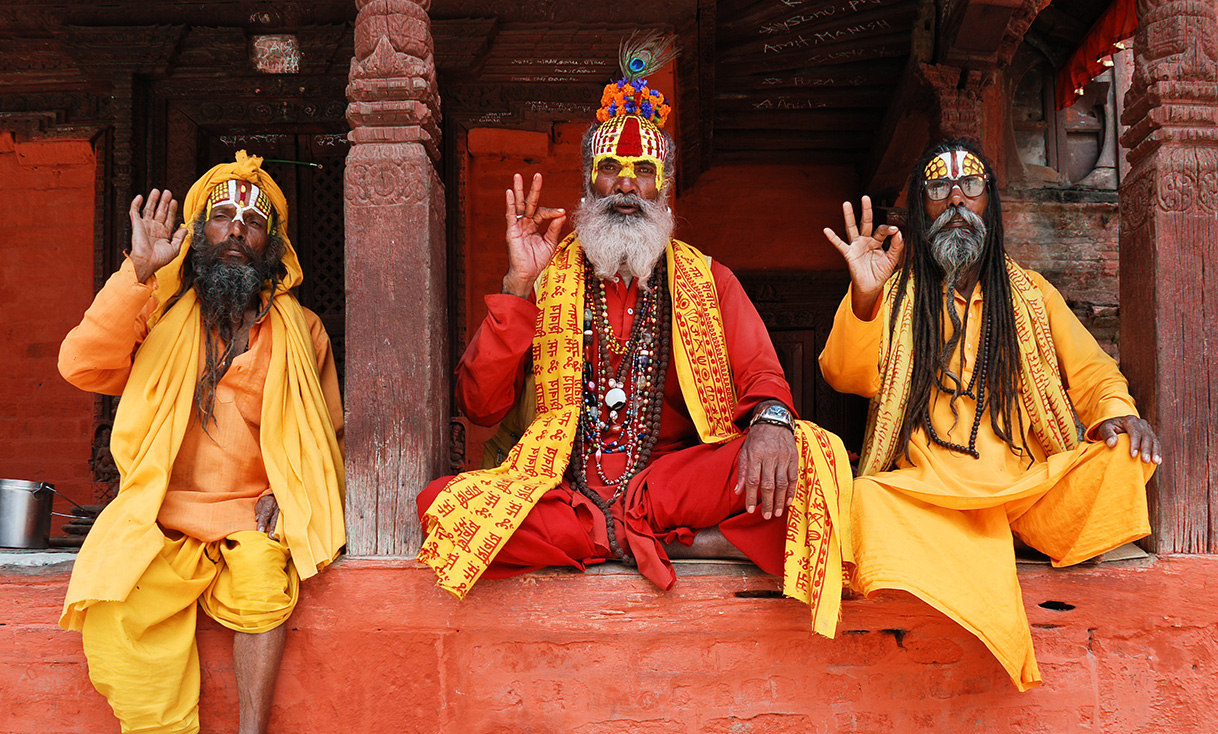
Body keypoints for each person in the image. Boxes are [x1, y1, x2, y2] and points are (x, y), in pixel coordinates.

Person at [416, 34, 852, 636]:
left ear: (663, 189)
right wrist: (518, 282)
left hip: (671, 485)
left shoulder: (708, 278)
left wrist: (773, 423)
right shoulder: (546, 279)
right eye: (610, 171)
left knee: (808, 459)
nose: (626, 186)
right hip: (566, 493)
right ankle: (664, 542)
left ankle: (642, 532)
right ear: (589, 186)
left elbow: (762, 376)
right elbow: (479, 405)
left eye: (642, 172)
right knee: (440, 506)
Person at [819, 139, 1161, 690]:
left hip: (1026, 488)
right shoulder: (894, 292)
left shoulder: (1029, 293)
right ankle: (998, 540)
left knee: (1122, 458)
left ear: (990, 203)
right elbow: (843, 374)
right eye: (938, 189)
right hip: (925, 495)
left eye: (970, 186)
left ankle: (1003, 533)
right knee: (855, 499)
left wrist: (1114, 413)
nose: (955, 200)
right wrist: (863, 299)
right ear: (921, 208)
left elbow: (1093, 371)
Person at [57, 151, 345, 734]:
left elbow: (327, 433)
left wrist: (291, 493)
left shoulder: (303, 329)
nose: (237, 228)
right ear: (199, 232)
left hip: (250, 516)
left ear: (274, 244)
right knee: (117, 604)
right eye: (222, 216)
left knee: (266, 585)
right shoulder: (155, 310)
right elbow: (80, 366)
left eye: (254, 220)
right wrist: (137, 274)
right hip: (161, 511)